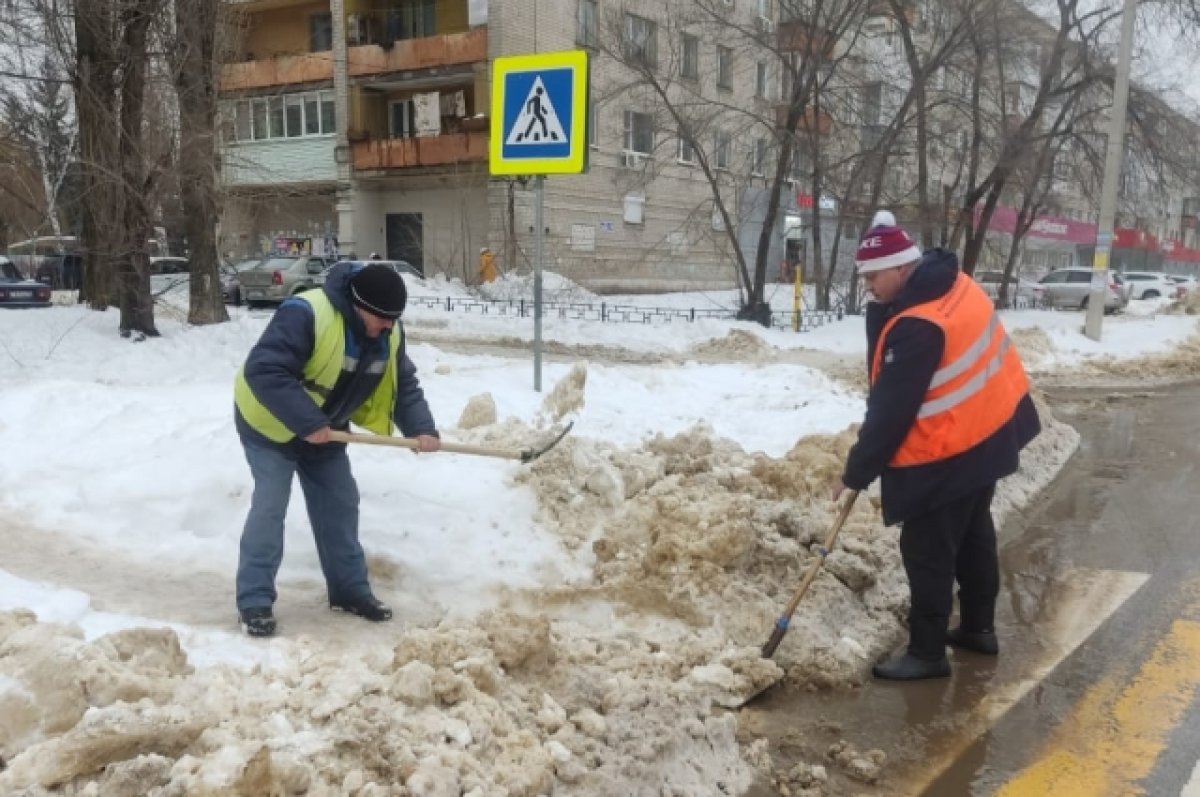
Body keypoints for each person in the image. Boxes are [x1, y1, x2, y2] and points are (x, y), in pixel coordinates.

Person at [831, 210, 1040, 681]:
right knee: (972, 535)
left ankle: (926, 654)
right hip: (988, 433)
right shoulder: (955, 285)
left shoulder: (918, 325)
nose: (868, 286)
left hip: (947, 451)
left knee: (927, 550)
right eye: (864, 277)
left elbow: (890, 412)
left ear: (903, 267)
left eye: (874, 277)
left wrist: (855, 474)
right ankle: (978, 629)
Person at [233, 262, 441, 637]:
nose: (389, 328)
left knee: (340, 503)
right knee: (270, 505)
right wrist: (307, 422)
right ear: (359, 307)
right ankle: (254, 601)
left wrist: (421, 428)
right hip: (269, 425)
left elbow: (403, 383)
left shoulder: (388, 332)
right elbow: (264, 370)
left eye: (394, 320)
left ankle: (349, 592)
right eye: (382, 319)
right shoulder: (306, 313)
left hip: (326, 431)